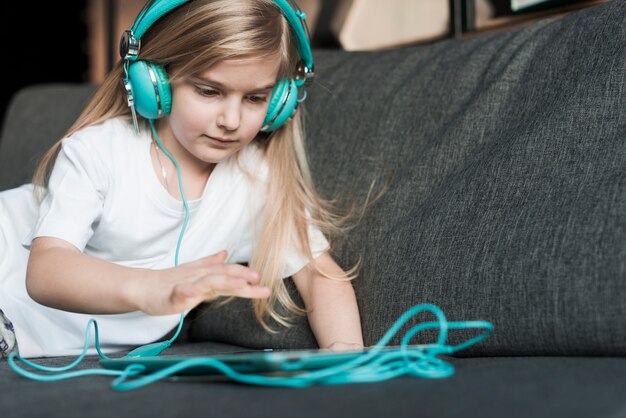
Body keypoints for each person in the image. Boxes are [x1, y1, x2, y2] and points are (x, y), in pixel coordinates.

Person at [0, 0, 365, 360]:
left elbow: (321, 277)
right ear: (153, 82)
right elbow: (47, 270)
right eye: (209, 91)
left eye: (255, 98)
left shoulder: (257, 183)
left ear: (279, 104)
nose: (231, 120)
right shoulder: (99, 151)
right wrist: (155, 286)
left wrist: (347, 358)